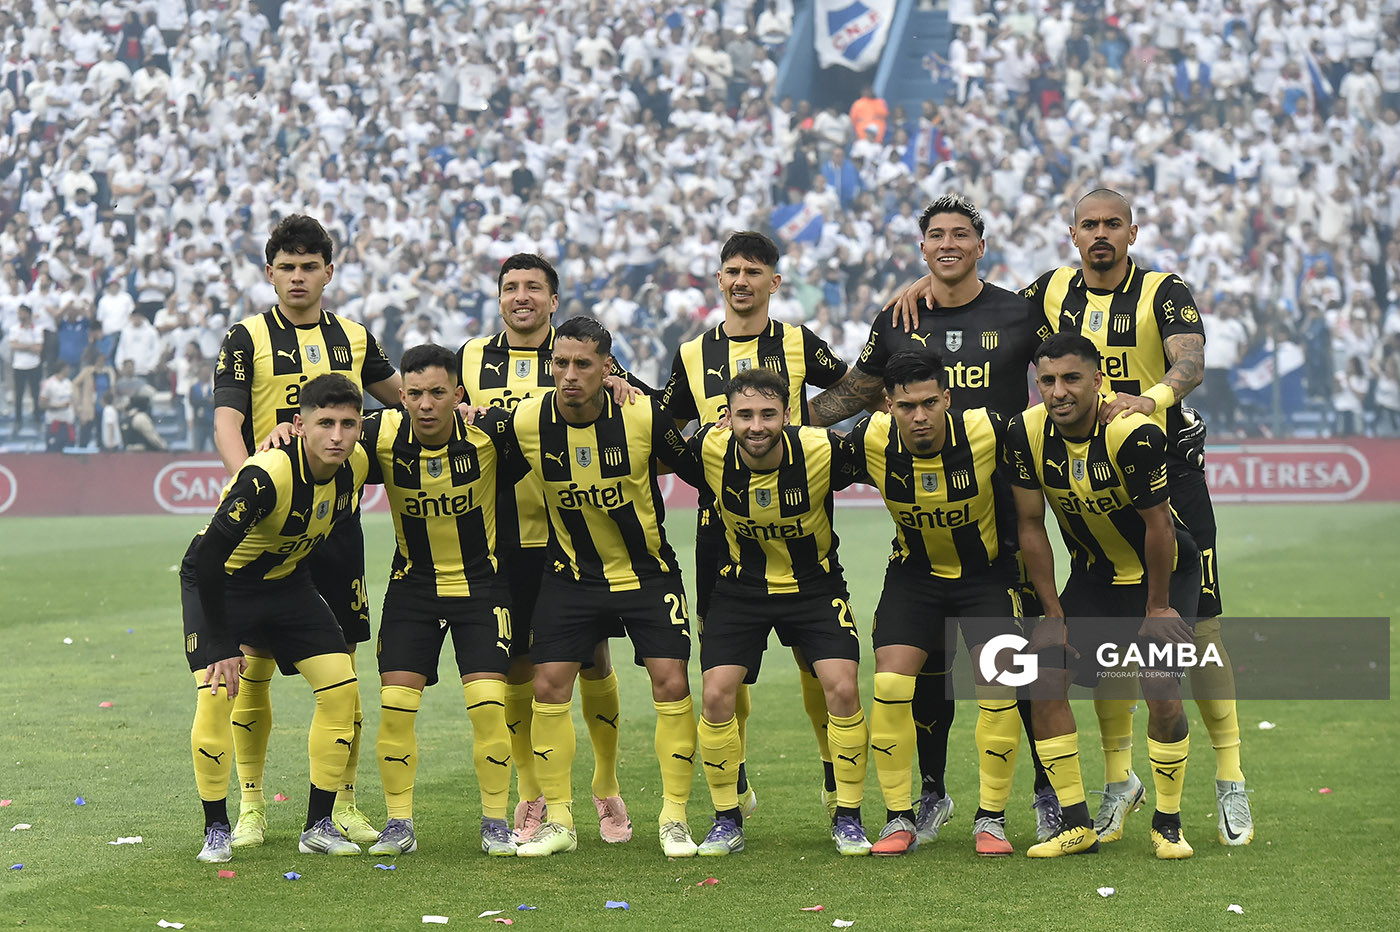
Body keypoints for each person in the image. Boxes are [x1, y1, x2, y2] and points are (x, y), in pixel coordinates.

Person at [808, 195, 1059, 845]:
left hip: (1005, 524)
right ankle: (930, 794)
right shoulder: (899, 318)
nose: (948, 243)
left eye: (961, 234)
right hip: (923, 526)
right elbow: (856, 391)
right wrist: (781, 423)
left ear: (981, 246)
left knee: (1022, 670)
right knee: (922, 673)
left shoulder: (1020, 311)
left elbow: (1068, 368)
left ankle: (1047, 792)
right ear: (921, 248)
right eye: (936, 235)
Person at [1019, 189, 1250, 847]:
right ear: (1073, 234)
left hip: (1166, 472)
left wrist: (1149, 399)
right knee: (1105, 631)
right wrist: (930, 283)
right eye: (1089, 224)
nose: (1101, 234)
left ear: (1132, 232)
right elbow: (988, 311)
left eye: (1112, 224)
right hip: (1089, 470)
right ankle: (1119, 782)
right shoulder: (1049, 290)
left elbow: (1190, 362)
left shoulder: (1162, 290)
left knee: (1197, 629)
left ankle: (1230, 778)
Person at [212, 215, 400, 851]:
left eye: (309, 266)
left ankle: (341, 804)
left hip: (336, 526)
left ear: (328, 272)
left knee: (342, 666)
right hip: (269, 529)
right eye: (287, 267)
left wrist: (452, 407)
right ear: (270, 273)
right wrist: (253, 487)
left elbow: (401, 401)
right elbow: (227, 421)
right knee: (253, 669)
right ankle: (252, 805)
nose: (298, 277)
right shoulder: (246, 337)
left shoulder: (354, 337)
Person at [659, 230, 849, 822]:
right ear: (719, 279)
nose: (741, 281)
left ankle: (833, 775)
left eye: (753, 271)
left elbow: (852, 387)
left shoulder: (797, 342)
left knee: (815, 660)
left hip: (797, 518)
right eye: (732, 271)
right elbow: (668, 424)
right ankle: (734, 782)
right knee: (725, 667)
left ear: (774, 281)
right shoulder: (692, 353)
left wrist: (805, 423)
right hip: (720, 532)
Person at [503, 316, 704, 859]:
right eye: (560, 363)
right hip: (570, 576)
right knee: (548, 685)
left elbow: (698, 470)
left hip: (647, 573)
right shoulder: (526, 419)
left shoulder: (641, 414)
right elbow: (473, 448)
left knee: (671, 681)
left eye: (583, 364)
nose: (569, 374)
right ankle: (560, 821)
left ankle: (674, 818)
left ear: (607, 367)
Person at [456, 253, 638, 845]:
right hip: (503, 536)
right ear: (499, 298)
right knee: (517, 665)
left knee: (592, 659)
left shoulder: (577, 353)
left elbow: (636, 404)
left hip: (577, 533)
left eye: (533, 287)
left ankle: (606, 784)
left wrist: (624, 386)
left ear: (553, 301)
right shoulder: (471, 357)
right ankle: (532, 793)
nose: (521, 296)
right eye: (510, 287)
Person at [1005, 332, 1201, 860]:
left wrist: (1157, 608)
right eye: (1047, 380)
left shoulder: (1131, 434)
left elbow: (1159, 526)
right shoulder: (1024, 432)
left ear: (1098, 380)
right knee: (1043, 679)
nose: (1058, 392)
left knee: (1161, 688)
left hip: (1162, 576)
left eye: (1071, 379)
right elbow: (1030, 525)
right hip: (1095, 577)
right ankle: (1076, 826)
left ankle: (1168, 823)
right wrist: (1052, 613)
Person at [842, 351, 1029, 857]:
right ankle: (899, 817)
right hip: (915, 578)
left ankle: (991, 819)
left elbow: (1051, 437)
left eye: (929, 403)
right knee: (889, 683)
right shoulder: (870, 438)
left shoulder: (988, 430)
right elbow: (799, 452)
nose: (919, 416)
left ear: (947, 398)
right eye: (907, 406)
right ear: (889, 406)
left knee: (1000, 684)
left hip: (985, 577)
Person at [181, 373, 370, 863]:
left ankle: (318, 825)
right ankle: (216, 828)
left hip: (287, 585)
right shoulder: (268, 476)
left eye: (348, 424)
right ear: (299, 426)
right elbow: (207, 560)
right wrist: (220, 643)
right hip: (222, 584)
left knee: (341, 689)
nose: (337, 435)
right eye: (324, 423)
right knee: (218, 694)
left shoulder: (356, 463)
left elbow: (412, 418)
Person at [687, 367, 872, 858]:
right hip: (740, 590)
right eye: (745, 415)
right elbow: (648, 442)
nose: (756, 426)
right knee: (716, 693)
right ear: (727, 418)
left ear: (787, 415)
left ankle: (848, 815)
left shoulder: (822, 449)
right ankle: (726, 818)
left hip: (815, 587)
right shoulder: (708, 448)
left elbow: (885, 451)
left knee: (843, 687)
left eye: (768, 414)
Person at [357, 344, 522, 858]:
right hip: (413, 589)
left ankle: (495, 823)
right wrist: (285, 430)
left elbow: (562, 416)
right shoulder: (379, 433)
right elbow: (322, 431)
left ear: (458, 394)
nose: (426, 404)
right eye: (415, 394)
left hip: (482, 588)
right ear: (401, 396)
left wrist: (617, 384)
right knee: (395, 707)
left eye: (437, 393)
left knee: (488, 707)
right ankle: (398, 824)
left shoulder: (491, 431)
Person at [10, 305, 44, 433]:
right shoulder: (14, 329)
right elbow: (14, 345)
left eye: (22, 313)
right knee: (19, 394)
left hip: (34, 365)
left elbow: (39, 348)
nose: (19, 315)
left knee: (35, 393)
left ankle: (37, 418)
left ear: (28, 314)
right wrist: (30, 346)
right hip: (19, 365)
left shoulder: (37, 329)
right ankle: (18, 420)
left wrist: (22, 345)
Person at [39, 359, 76, 451]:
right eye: (67, 368)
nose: (69, 370)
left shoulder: (68, 383)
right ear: (62, 369)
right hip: (54, 423)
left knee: (69, 453)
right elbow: (41, 404)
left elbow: (72, 400)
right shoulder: (49, 383)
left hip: (68, 423)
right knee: (53, 452)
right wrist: (58, 407)